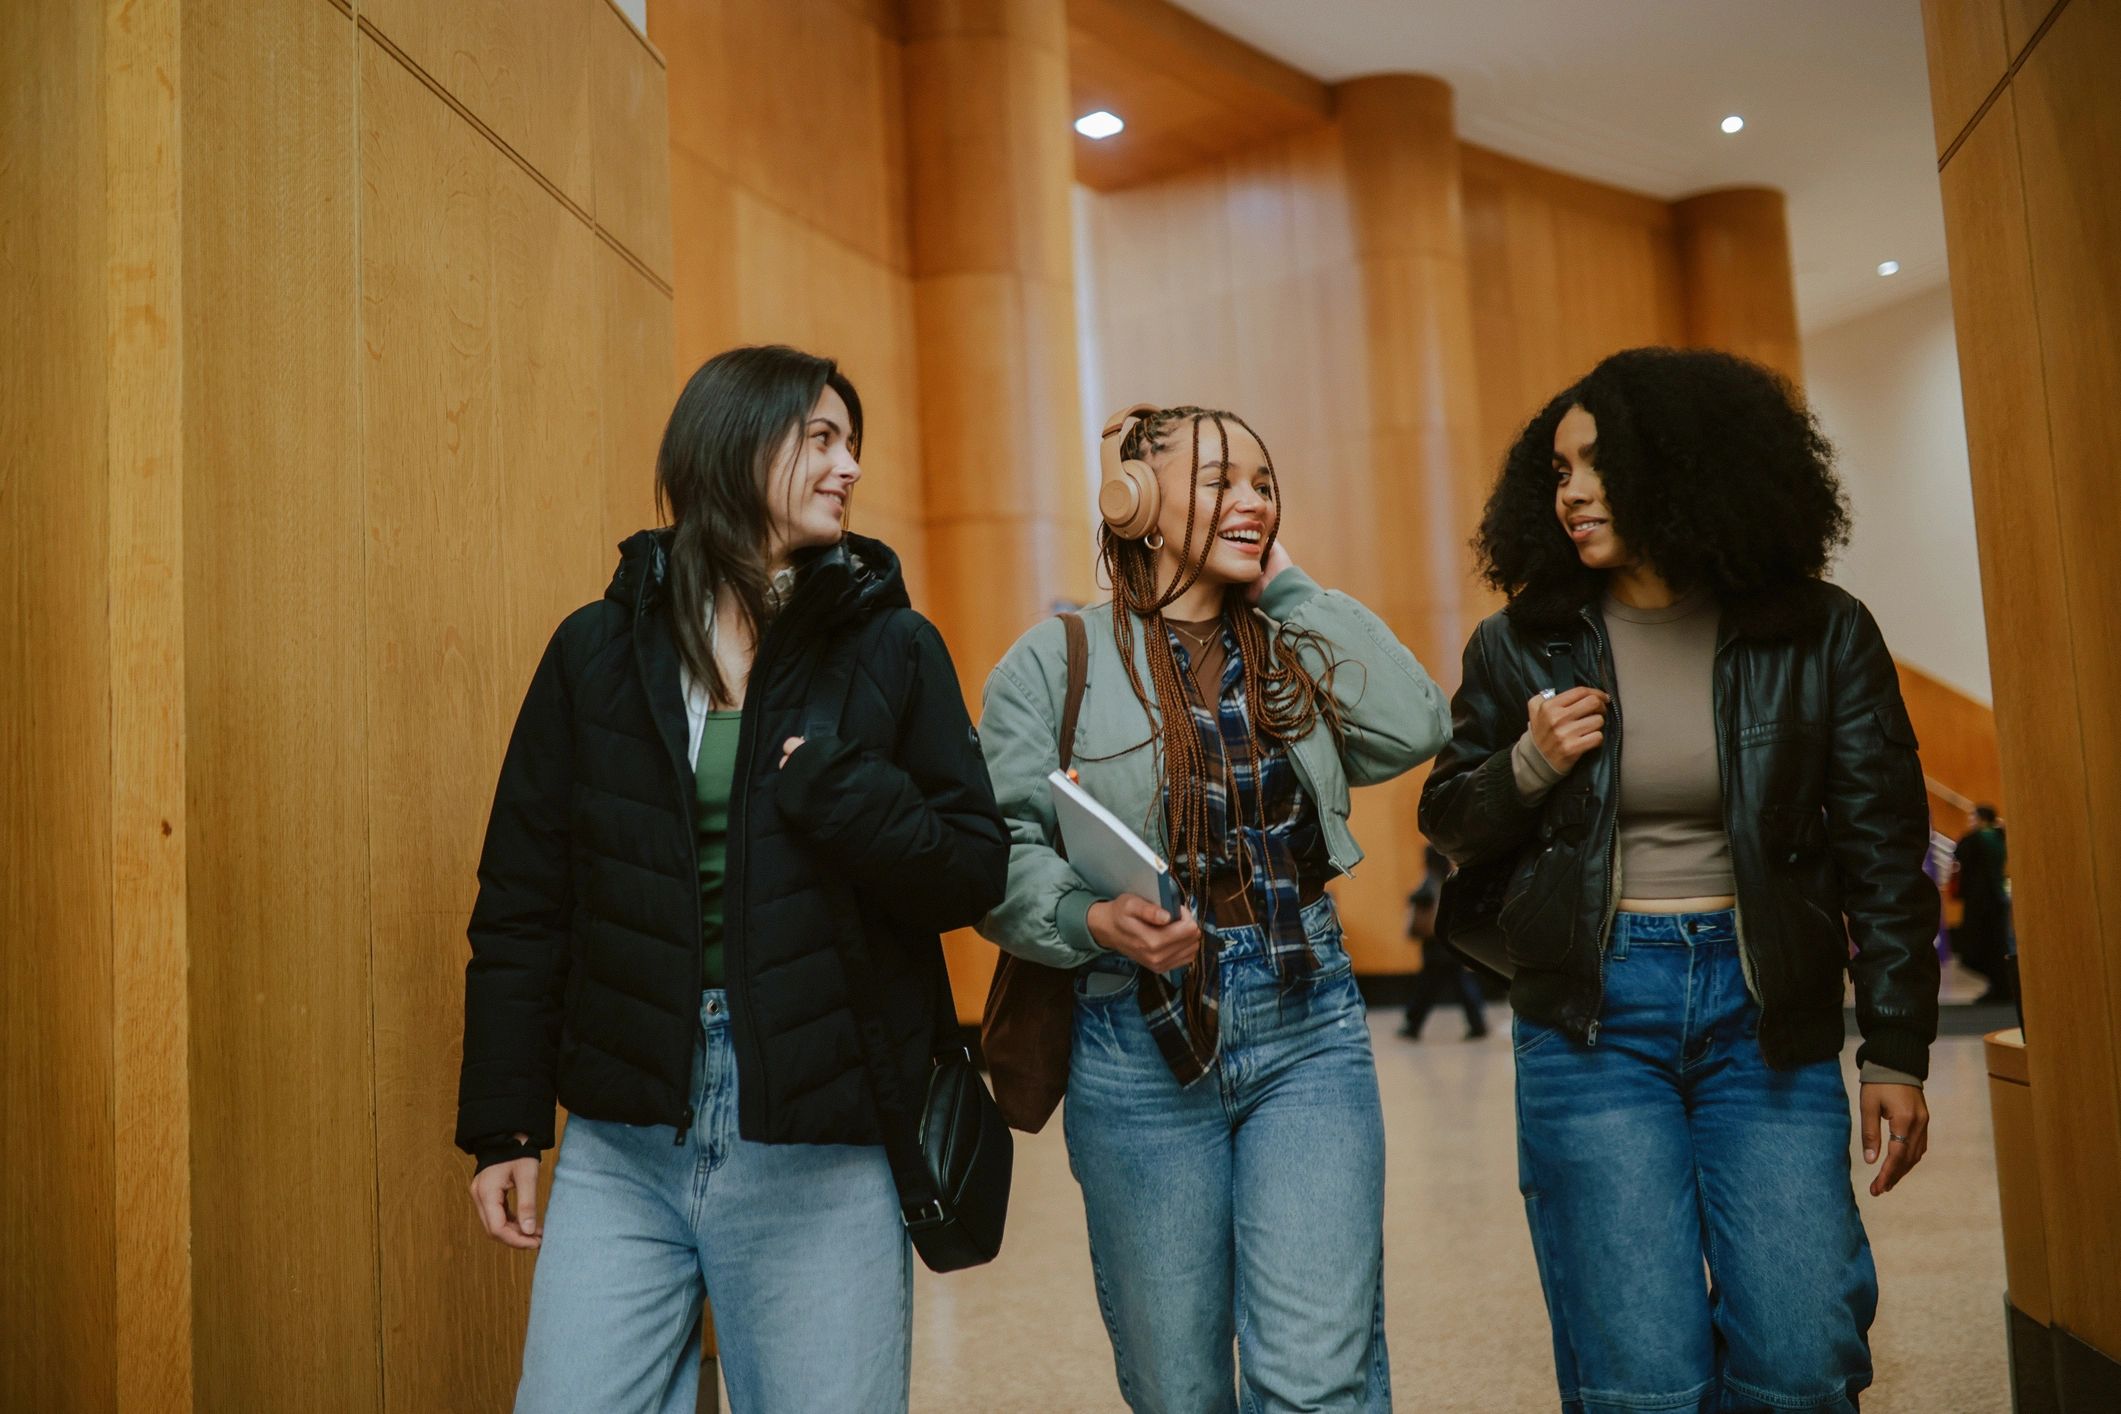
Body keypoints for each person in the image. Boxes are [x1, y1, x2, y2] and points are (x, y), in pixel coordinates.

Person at [456, 345, 1008, 1413]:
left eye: (855, 444)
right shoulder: (594, 653)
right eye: (821, 439)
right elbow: (525, 901)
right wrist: (506, 1123)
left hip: (821, 1139)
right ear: (732, 445)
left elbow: (971, 872)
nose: (849, 467)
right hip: (625, 1140)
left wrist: (851, 794)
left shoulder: (893, 650)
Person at [1420, 348, 1940, 1414]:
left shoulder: (1822, 631)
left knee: (1801, 1363)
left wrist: (1895, 1042)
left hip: (1769, 1015)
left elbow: (1885, 849)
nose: (1570, 491)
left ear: (1688, 465)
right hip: (1593, 1015)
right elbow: (1449, 817)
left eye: (1598, 463)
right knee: (1643, 1380)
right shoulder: (1521, 643)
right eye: (1558, 468)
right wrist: (1529, 763)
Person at [978, 405, 1450, 1413]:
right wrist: (1089, 919)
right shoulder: (1052, 661)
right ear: (1137, 502)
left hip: (1304, 1016)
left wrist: (1285, 573)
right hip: (1130, 1032)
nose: (1251, 499)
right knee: (1179, 1387)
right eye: (1219, 480)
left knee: (1317, 1378)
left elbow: (1416, 723)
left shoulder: (1291, 643)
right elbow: (993, 852)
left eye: (1264, 483)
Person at [1400, 843, 1488, 1039]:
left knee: (1427, 988)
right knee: (1460, 985)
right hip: (1451, 942)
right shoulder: (1451, 878)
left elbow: (1419, 900)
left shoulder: (1430, 880)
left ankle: (1412, 1025)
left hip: (1434, 944)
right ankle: (1477, 1023)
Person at [1951, 803, 2013, 1003]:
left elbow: (1959, 852)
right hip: (1997, 899)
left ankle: (1999, 986)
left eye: (1973, 817)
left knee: (1977, 947)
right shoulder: (2000, 838)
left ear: (1982, 819)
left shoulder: (1976, 839)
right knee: (1997, 945)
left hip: (1980, 903)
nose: (1970, 821)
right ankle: (2000, 985)